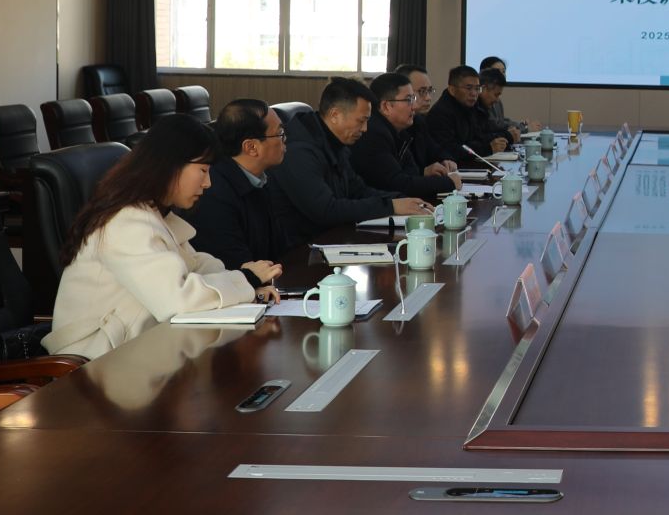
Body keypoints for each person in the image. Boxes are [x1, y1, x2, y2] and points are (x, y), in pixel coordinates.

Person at [44, 115, 276, 360]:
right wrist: (246, 278)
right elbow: (177, 300)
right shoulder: (126, 221)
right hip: (94, 363)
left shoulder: (152, 211)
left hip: (135, 350)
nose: (208, 183)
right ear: (172, 165)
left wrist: (244, 283)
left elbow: (195, 265)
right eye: (203, 170)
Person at [270, 77, 434, 243]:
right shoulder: (298, 150)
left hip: (332, 236)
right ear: (335, 115)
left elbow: (358, 190)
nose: (365, 129)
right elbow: (326, 210)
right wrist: (391, 206)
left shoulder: (334, 141)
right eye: (361, 121)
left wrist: (400, 200)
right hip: (299, 248)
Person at [176, 100, 294, 289]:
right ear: (251, 147)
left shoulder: (259, 178)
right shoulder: (214, 193)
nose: (285, 139)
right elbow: (235, 266)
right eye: (279, 133)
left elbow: (281, 250)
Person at [354, 72, 458, 201]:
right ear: (386, 106)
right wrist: (449, 182)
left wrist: (424, 173)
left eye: (413, 99)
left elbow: (411, 174)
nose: (414, 106)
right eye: (409, 100)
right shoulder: (374, 134)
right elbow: (398, 184)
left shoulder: (401, 131)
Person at [422, 65, 509, 163]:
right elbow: (449, 151)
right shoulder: (441, 113)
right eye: (469, 88)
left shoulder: (470, 107)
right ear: (452, 90)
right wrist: (487, 148)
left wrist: (499, 141)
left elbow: (481, 135)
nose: (474, 94)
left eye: (477, 88)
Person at [476, 55, 535, 136]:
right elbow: (495, 125)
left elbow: (501, 122)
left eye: (503, 71)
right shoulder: (475, 102)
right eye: (497, 71)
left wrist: (521, 125)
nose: (501, 75)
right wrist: (524, 128)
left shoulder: (497, 100)